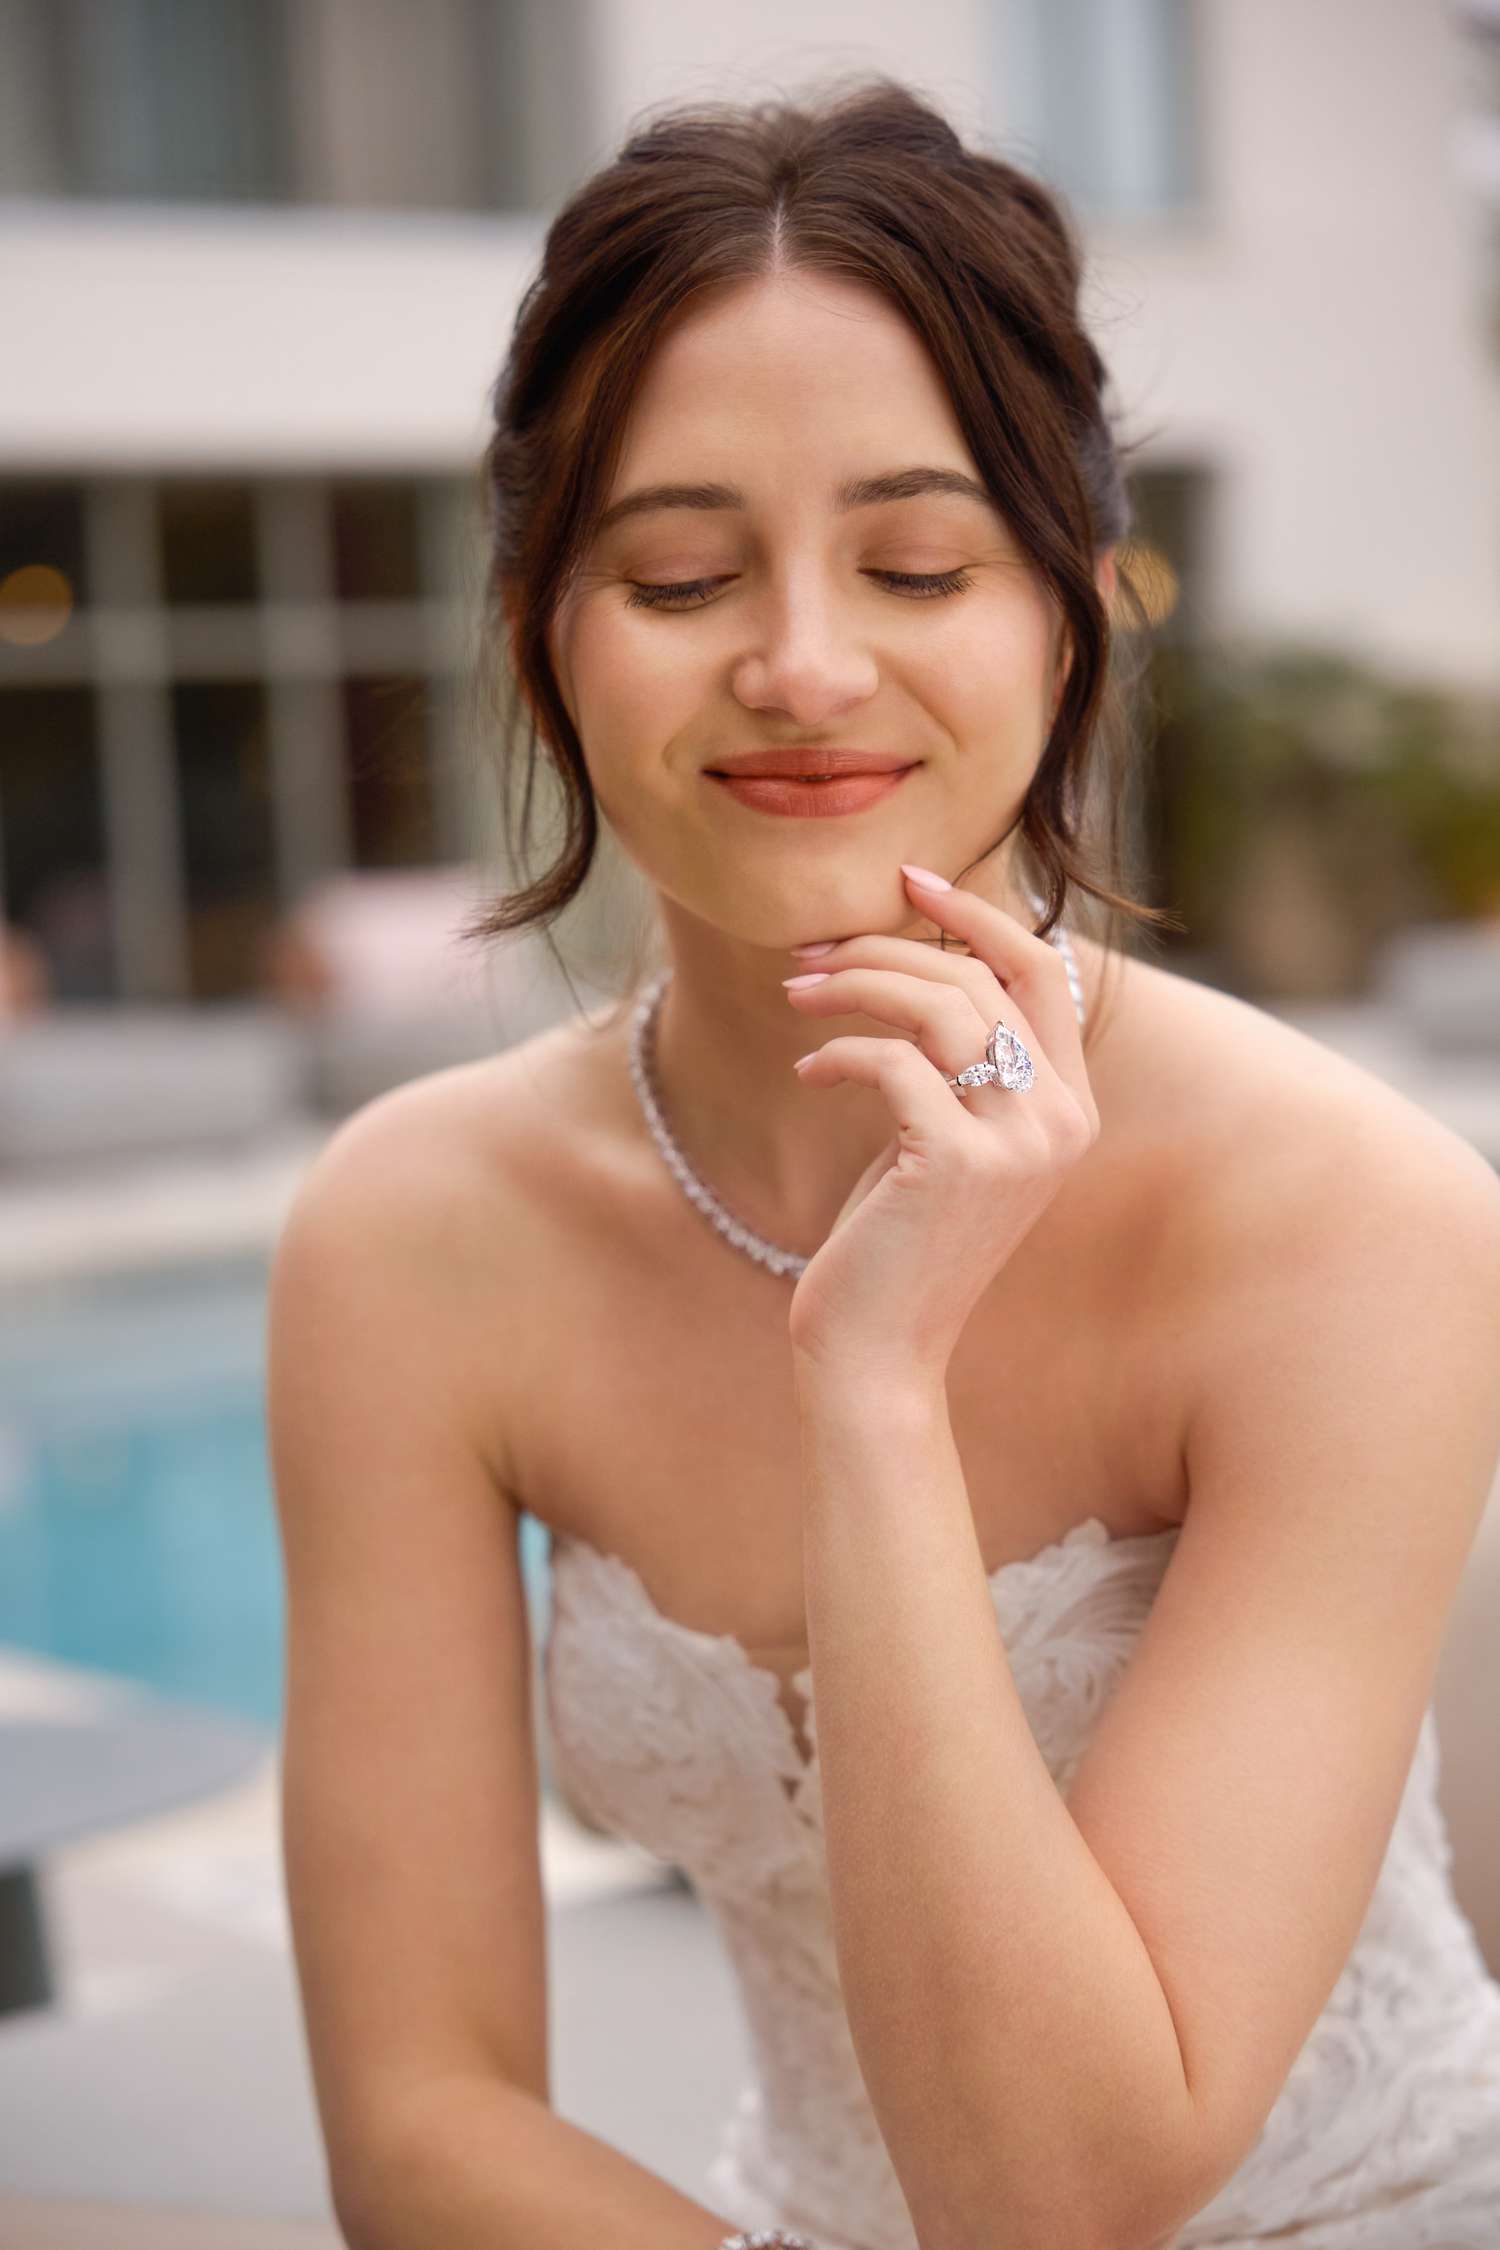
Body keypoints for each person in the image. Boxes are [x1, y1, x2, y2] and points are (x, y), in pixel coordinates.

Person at [265, 78, 1500, 2250]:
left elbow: (1067, 2194)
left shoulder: (1353, 1219)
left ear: (1068, 610)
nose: (803, 666)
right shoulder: (411, 1240)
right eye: (677, 572)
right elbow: (419, 2118)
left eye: (917, 562)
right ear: (548, 624)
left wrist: (873, 1380)